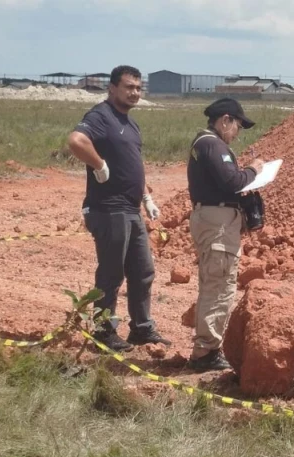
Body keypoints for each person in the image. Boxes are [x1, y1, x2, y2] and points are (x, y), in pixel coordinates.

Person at [67, 65, 170, 352]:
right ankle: (103, 331)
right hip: (108, 209)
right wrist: (98, 165)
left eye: (138, 88)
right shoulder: (100, 116)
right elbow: (76, 140)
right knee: (111, 273)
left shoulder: (131, 123)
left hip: (130, 209)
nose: (135, 92)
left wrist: (146, 197)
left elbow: (133, 164)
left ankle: (141, 327)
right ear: (112, 89)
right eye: (128, 87)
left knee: (143, 270)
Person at [185, 97, 266, 372]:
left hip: (216, 220)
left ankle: (206, 347)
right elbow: (231, 181)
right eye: (237, 127)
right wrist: (253, 170)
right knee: (219, 285)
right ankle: (205, 352)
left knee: (216, 282)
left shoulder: (208, 144)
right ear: (225, 120)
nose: (237, 134)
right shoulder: (211, 144)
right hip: (216, 223)